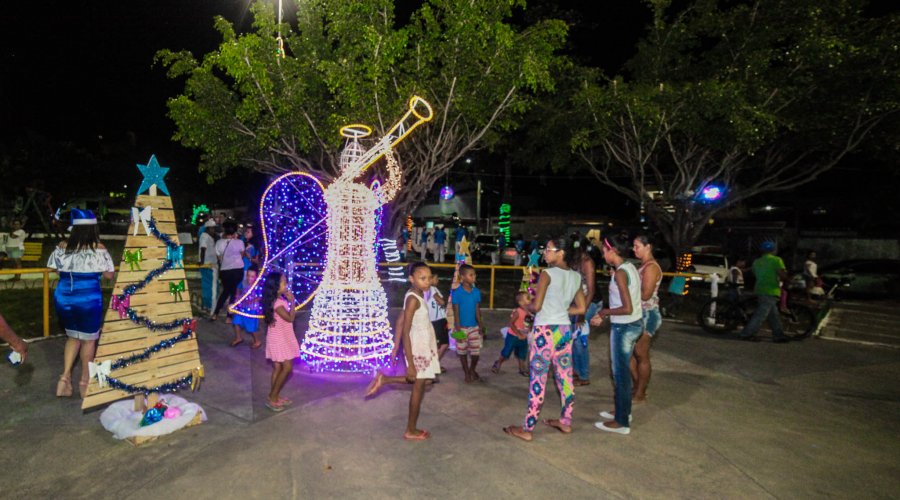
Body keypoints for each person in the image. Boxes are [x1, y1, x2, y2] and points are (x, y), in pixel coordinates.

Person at [503, 237, 586, 441]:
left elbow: (537, 306)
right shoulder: (576, 276)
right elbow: (581, 308)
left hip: (544, 332)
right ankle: (566, 421)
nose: (544, 253)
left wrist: (526, 306)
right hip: (563, 331)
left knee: (538, 380)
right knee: (565, 377)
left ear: (561, 253)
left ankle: (527, 429)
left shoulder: (547, 274)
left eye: (549, 249)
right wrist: (561, 310)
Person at [365, 262, 440, 440]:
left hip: (424, 343)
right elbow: (406, 330)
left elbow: (400, 320)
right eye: (422, 278)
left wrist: (395, 346)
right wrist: (411, 365)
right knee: (418, 387)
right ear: (411, 279)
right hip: (418, 347)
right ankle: (411, 430)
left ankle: (385, 379)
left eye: (429, 278)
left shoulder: (417, 293)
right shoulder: (413, 299)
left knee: (428, 380)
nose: (427, 281)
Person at [47, 209, 116, 397]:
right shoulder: (98, 248)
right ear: (93, 229)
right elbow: (109, 275)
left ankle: (64, 380)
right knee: (89, 340)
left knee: (73, 337)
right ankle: (85, 382)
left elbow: (56, 269)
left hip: (64, 296)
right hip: (88, 298)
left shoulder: (62, 246)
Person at [591, 233, 642, 435]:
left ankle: (621, 423)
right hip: (632, 324)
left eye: (604, 250)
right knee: (622, 373)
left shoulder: (621, 273)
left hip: (624, 327)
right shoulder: (629, 268)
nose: (603, 254)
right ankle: (624, 412)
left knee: (620, 374)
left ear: (613, 250)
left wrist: (604, 312)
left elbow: (627, 307)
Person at [260, 272, 299, 411]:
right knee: (287, 368)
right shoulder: (278, 304)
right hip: (279, 339)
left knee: (277, 368)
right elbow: (290, 318)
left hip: (276, 336)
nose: (286, 283)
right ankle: (272, 397)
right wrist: (292, 301)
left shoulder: (275, 300)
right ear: (276, 287)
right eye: (283, 282)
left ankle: (274, 396)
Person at [631, 233, 662, 403]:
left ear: (648, 246)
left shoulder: (651, 267)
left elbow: (646, 294)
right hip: (639, 313)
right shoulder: (643, 265)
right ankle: (638, 387)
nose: (634, 249)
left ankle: (640, 392)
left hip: (647, 314)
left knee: (641, 354)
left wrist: (625, 288)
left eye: (637, 246)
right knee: (629, 354)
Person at [739, 241, 790, 343]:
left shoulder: (757, 262)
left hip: (760, 288)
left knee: (773, 315)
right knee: (760, 315)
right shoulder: (776, 260)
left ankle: (779, 335)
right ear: (773, 250)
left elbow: (754, 274)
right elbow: (782, 274)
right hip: (771, 290)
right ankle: (747, 334)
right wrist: (788, 279)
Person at [571, 238, 599, 386]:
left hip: (591, 302)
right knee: (573, 338)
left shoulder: (587, 263)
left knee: (579, 339)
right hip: (579, 303)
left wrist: (582, 313)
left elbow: (591, 291)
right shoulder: (574, 261)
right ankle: (576, 371)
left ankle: (584, 375)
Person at [451, 264, 485, 383]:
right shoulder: (457, 293)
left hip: (474, 327)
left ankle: (471, 370)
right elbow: (456, 312)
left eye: (474, 274)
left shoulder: (476, 292)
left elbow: (477, 310)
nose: (474, 277)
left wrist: (481, 325)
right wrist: (458, 329)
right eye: (471, 275)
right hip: (461, 327)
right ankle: (467, 372)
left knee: (476, 353)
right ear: (462, 277)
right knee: (462, 352)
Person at [211, 220, 246, 322]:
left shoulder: (219, 243)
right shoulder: (240, 242)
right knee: (232, 292)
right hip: (237, 270)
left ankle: (215, 313)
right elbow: (242, 255)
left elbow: (219, 258)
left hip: (225, 270)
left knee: (226, 291)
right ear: (235, 231)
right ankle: (228, 317)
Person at [491, 291, 532, 376]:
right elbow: (511, 323)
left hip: (523, 336)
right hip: (513, 336)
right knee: (506, 352)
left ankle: (522, 368)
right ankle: (498, 363)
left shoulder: (529, 312)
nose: (530, 299)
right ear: (521, 302)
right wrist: (518, 334)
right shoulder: (518, 312)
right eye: (528, 298)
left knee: (522, 353)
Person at [230, 266, 261, 349]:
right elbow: (239, 289)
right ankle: (238, 338)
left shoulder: (257, 286)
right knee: (236, 322)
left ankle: (257, 341)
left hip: (252, 309)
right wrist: (237, 297)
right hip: (242, 308)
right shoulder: (244, 283)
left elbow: (260, 297)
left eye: (252, 276)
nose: (249, 278)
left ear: (256, 277)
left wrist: (251, 301)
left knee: (251, 327)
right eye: (248, 275)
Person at [424, 273, 450, 366]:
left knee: (439, 345)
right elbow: (441, 302)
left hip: (435, 320)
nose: (438, 280)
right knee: (443, 344)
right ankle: (433, 365)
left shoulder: (428, 289)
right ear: (430, 279)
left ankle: (434, 364)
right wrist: (443, 302)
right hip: (437, 321)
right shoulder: (432, 289)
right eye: (436, 278)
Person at [198, 220, 219, 315]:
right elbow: (203, 248)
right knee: (210, 287)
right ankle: (211, 306)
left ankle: (208, 305)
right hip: (208, 265)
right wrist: (202, 262)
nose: (214, 230)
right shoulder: (204, 236)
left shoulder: (209, 236)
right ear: (208, 228)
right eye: (212, 228)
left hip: (210, 264)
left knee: (209, 286)